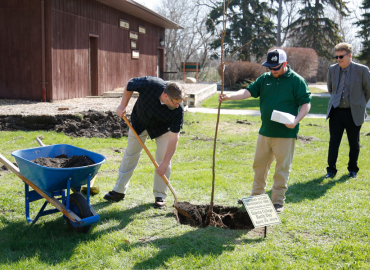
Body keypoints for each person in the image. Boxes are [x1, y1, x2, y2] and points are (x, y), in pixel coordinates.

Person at [219, 49, 311, 213]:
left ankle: (277, 201)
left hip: (286, 134)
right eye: (270, 67)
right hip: (265, 132)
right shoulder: (265, 79)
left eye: (275, 67)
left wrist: (297, 121)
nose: (272, 71)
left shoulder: (296, 80)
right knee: (259, 166)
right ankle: (256, 197)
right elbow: (248, 92)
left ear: (284, 64)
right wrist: (230, 96)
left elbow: (306, 104)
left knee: (282, 168)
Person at [104, 76, 185, 208]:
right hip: (139, 122)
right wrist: (122, 105)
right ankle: (118, 191)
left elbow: (174, 138)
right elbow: (130, 84)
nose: (177, 106)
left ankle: (160, 195)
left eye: (179, 103)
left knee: (163, 159)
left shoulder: (178, 109)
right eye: (174, 102)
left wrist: (164, 163)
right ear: (165, 95)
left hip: (162, 129)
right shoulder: (150, 84)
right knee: (130, 155)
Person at [325, 43, 370, 179]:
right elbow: (330, 89)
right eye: (336, 56)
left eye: (341, 56)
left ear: (350, 55)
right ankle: (331, 170)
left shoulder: (362, 70)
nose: (338, 59)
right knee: (334, 142)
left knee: (354, 143)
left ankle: (352, 169)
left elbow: (368, 91)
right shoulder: (332, 69)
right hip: (336, 112)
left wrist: (359, 104)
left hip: (354, 112)